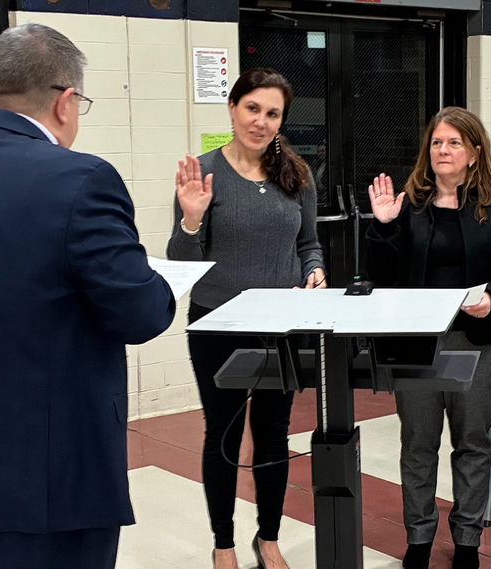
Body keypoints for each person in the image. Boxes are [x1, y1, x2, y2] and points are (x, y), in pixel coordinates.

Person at [0, 24, 177, 569]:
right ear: (66, 100)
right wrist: (159, 282)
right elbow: (139, 314)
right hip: (48, 479)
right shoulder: (81, 180)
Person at [167, 68, 325, 569]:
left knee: (275, 434)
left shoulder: (296, 175)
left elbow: (308, 243)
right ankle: (223, 542)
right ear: (233, 108)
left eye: (272, 113)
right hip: (217, 324)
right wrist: (192, 218)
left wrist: (315, 269)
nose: (260, 121)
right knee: (224, 434)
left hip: (281, 324)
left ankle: (269, 536)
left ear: (282, 120)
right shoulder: (204, 173)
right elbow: (182, 260)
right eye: (252, 108)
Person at [365, 106, 491, 569]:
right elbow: (381, 275)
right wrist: (382, 226)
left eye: (454, 142)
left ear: (475, 152)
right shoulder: (408, 205)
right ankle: (418, 540)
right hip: (417, 343)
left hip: (475, 342)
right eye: (437, 142)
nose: (443, 150)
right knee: (417, 443)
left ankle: (467, 543)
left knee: (473, 442)